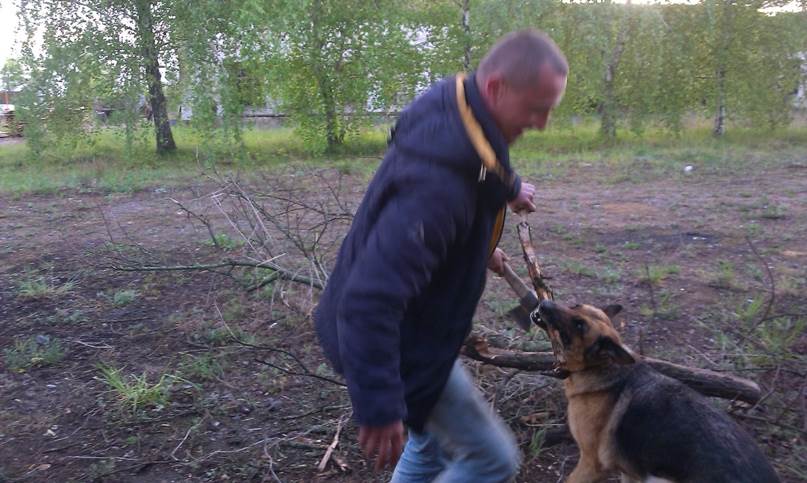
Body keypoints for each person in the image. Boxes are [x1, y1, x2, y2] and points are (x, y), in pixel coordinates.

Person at [314, 29, 568, 482]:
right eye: (536, 109)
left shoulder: (459, 111)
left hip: (418, 329)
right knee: (491, 459)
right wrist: (379, 403)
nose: (542, 123)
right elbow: (370, 299)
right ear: (497, 88)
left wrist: (504, 200)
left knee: (430, 444)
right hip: (397, 343)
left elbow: (482, 162)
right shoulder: (435, 189)